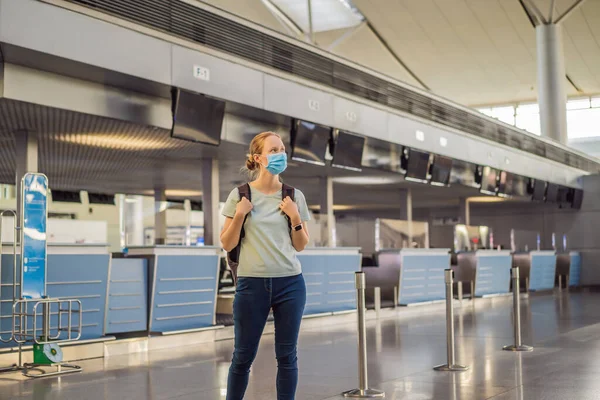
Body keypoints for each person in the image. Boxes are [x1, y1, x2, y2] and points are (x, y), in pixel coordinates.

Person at [220, 131, 311, 400]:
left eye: (282, 149)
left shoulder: (294, 196)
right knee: (242, 356)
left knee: (287, 355)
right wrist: (239, 215)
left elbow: (301, 244)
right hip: (252, 284)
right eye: (273, 150)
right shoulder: (240, 195)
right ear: (258, 158)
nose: (280, 154)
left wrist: (295, 216)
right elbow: (227, 243)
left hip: (290, 283)